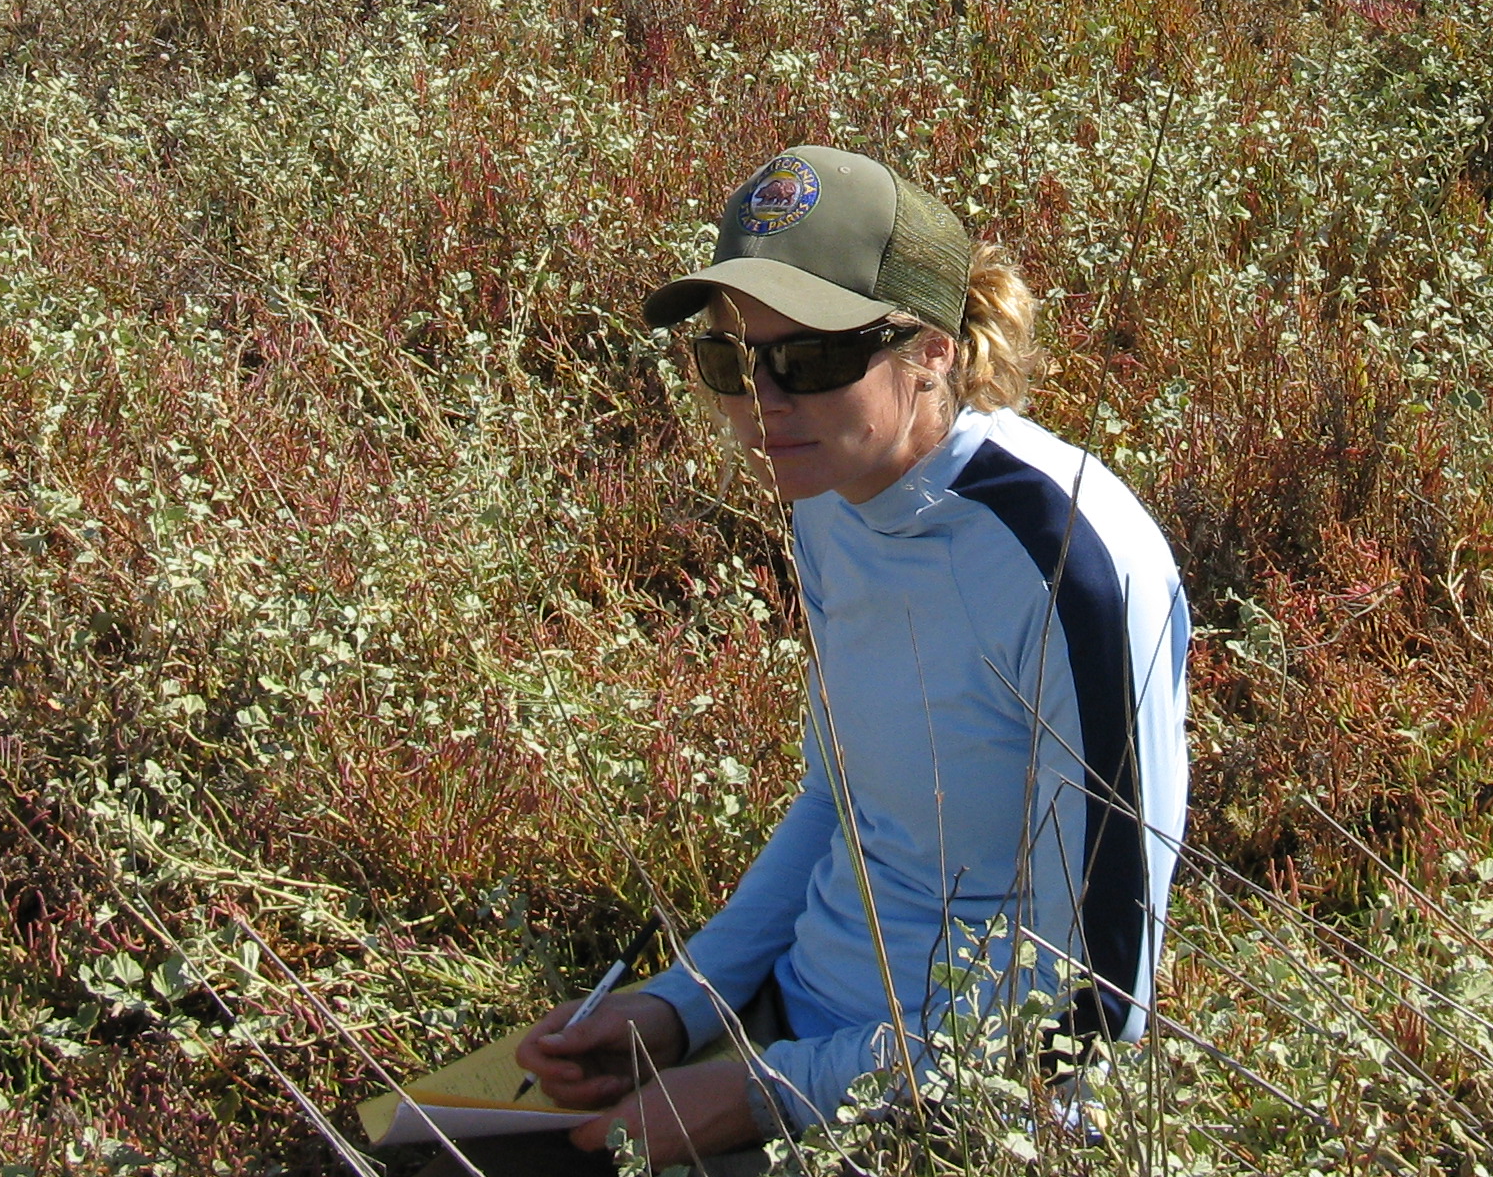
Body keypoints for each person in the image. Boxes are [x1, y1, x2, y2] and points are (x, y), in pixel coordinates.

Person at [487, 144, 1189, 1174]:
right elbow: (839, 799)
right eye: (731, 362)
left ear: (933, 352)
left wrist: (762, 1095)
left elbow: (1092, 1005)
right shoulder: (829, 488)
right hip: (788, 1028)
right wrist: (682, 1006)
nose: (764, 405)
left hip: (956, 1114)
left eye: (811, 362)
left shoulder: (1073, 566)